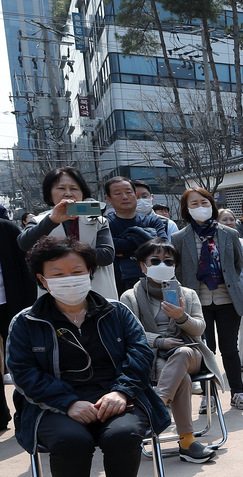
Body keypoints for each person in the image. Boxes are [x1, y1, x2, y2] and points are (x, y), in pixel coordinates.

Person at [9, 236, 172, 477]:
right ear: (42, 279)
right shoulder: (25, 322)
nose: (68, 279)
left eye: (76, 270)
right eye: (57, 274)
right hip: (53, 405)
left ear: (90, 272)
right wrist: (68, 402)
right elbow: (23, 373)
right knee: (70, 441)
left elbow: (140, 352)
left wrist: (121, 391)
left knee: (123, 434)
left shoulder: (116, 311)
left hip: (116, 395)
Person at [120, 239, 223, 462]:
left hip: (190, 351)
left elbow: (200, 328)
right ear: (142, 265)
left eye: (168, 262)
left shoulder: (188, 294)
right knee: (183, 379)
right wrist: (159, 341)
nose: (162, 266)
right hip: (153, 356)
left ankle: (158, 406)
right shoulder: (129, 297)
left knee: (183, 354)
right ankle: (187, 442)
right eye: (155, 261)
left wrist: (181, 317)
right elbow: (130, 334)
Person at [172, 187, 243, 412]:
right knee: (204, 350)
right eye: (194, 204)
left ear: (212, 205)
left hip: (228, 300)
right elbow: (178, 271)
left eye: (204, 202)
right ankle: (208, 395)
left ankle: (237, 393)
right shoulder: (179, 238)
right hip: (197, 302)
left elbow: (236, 265)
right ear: (187, 209)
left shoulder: (229, 234)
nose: (200, 207)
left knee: (230, 348)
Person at [19, 167, 117, 299]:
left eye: (74, 188)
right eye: (61, 188)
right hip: (55, 296)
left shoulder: (98, 221)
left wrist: (58, 253)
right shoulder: (40, 221)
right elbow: (24, 243)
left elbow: (106, 255)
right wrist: (52, 220)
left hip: (97, 292)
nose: (68, 193)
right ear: (50, 194)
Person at [0, 212, 37, 431]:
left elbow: (27, 270)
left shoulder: (7, 229)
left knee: (21, 361)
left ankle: (30, 413)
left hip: (12, 306)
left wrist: (28, 307)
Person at [103, 177, 166, 293]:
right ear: (109, 199)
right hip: (118, 286)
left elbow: (162, 246)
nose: (125, 197)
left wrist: (124, 245)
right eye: (118, 193)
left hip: (155, 285)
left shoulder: (153, 221)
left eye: (128, 192)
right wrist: (145, 240)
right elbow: (110, 248)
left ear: (135, 195)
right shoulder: (104, 223)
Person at [218, 208, 243, 374]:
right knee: (227, 328)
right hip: (219, 291)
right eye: (224, 220)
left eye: (231, 219)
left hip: (240, 288)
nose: (229, 223)